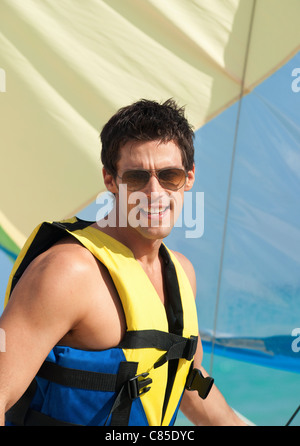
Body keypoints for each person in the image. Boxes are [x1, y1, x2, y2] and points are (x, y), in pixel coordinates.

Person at [0, 99, 246, 426]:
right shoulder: (69, 271)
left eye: (169, 176)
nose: (154, 192)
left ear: (189, 178)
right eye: (137, 177)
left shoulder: (182, 273)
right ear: (110, 180)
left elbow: (186, 378)